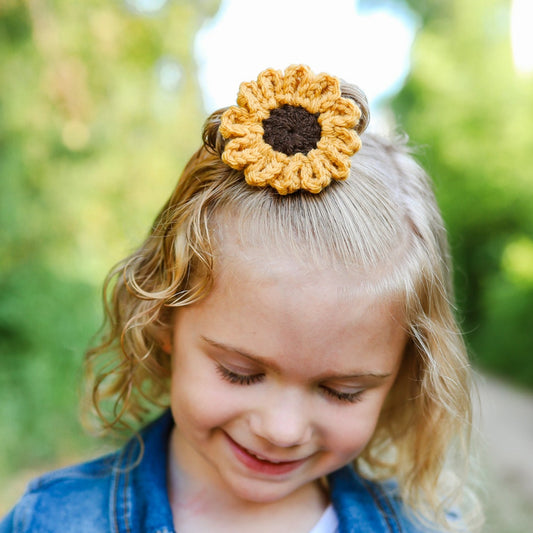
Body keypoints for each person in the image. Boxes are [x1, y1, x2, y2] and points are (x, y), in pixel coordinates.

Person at [1, 65, 482, 532]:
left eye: (342, 392)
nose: (283, 430)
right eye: (240, 373)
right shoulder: (54, 521)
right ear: (163, 320)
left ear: (406, 370)